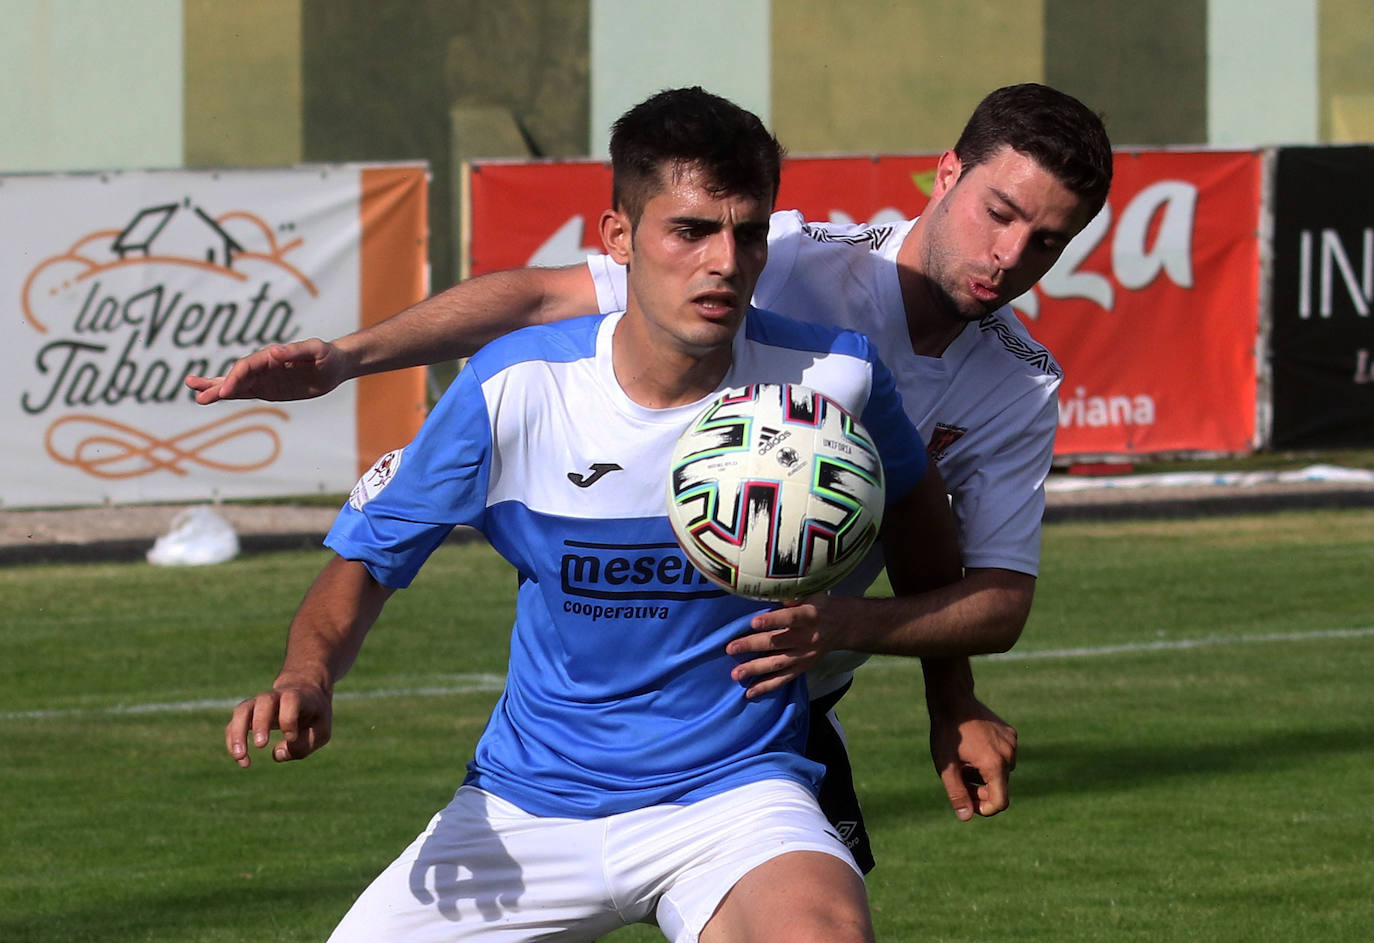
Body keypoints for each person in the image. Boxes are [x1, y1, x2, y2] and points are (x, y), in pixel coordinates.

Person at [198, 83, 1113, 870]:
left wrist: (946, 695)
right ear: (946, 174)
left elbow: (968, 571)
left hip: (772, 713)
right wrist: (347, 359)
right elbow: (539, 296)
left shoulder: (1017, 384)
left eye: (1047, 241)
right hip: (594, 709)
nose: (1011, 255)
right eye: (999, 213)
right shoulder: (777, 257)